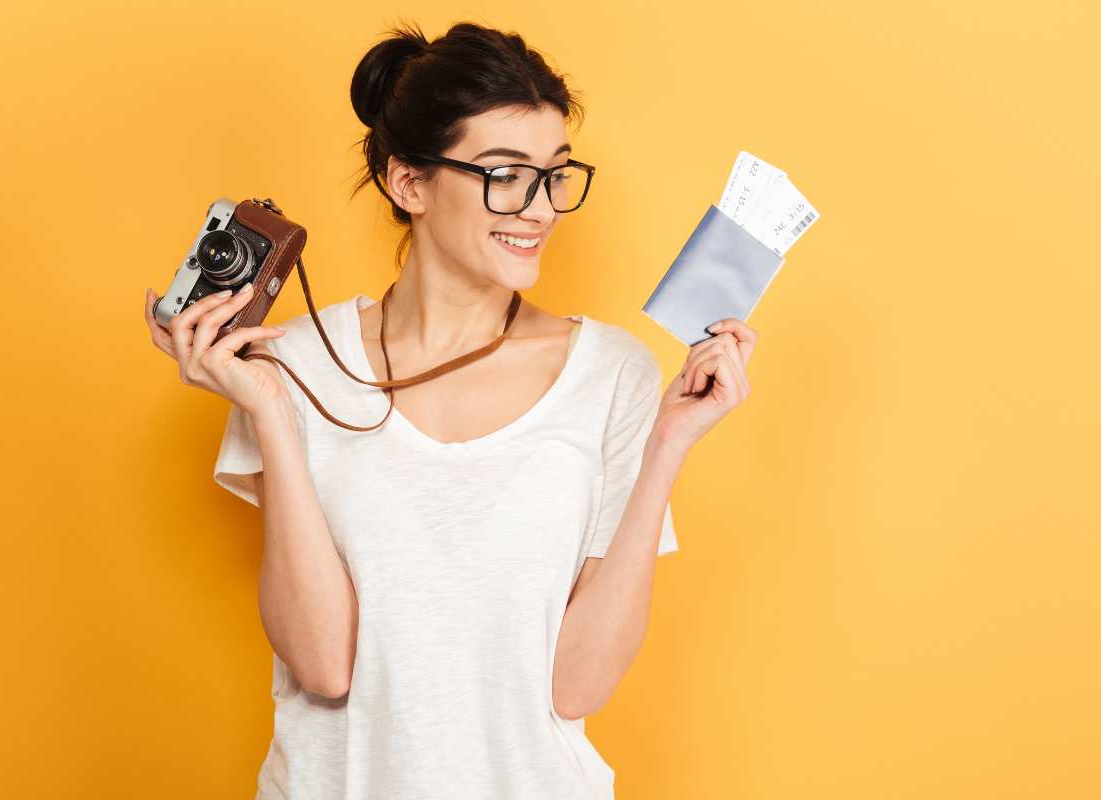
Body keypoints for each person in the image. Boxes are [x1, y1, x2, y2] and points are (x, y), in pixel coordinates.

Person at [143, 19, 757, 800]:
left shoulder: (614, 376)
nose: (540, 210)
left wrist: (669, 445)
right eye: (506, 175)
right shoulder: (290, 364)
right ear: (409, 183)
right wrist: (269, 411)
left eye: (556, 175)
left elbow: (577, 687)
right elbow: (325, 665)